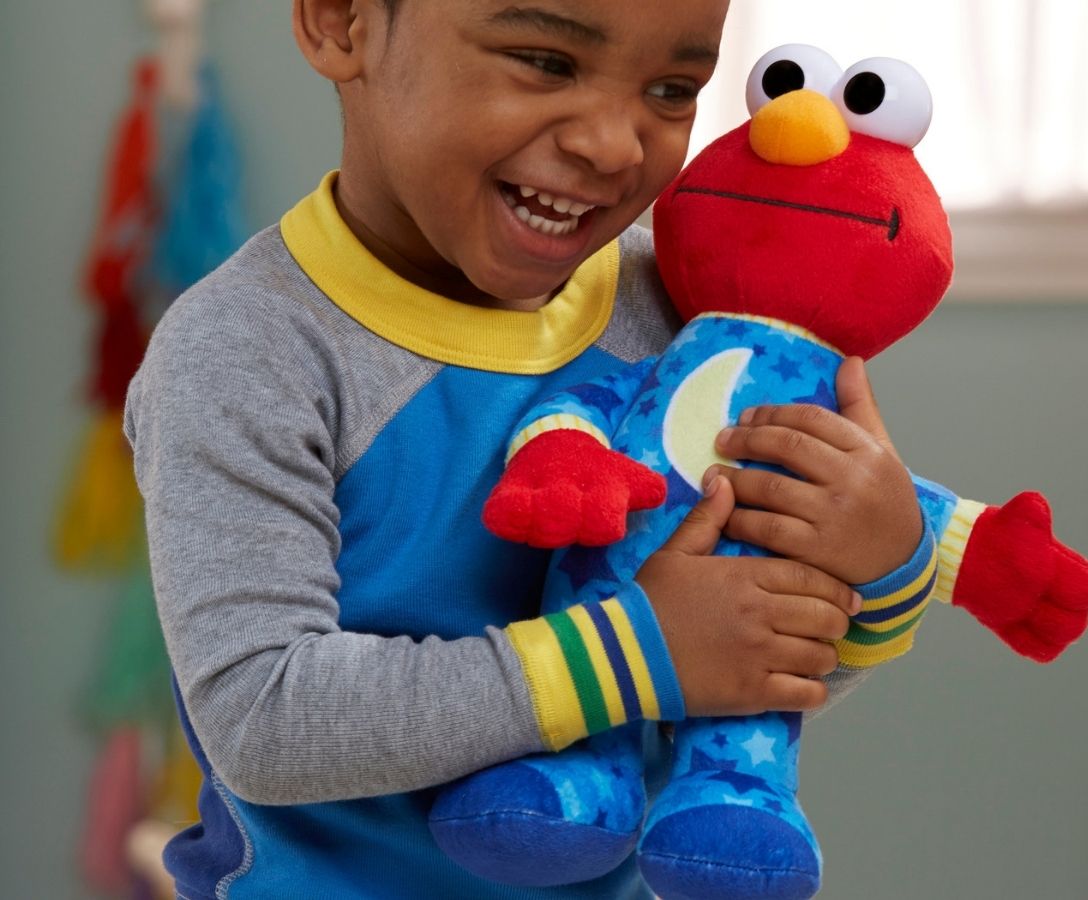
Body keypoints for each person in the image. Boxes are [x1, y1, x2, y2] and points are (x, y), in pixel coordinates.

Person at [123, 1, 934, 897]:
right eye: (546, 62)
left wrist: (886, 569)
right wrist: (638, 652)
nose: (615, 144)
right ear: (343, 23)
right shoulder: (246, 348)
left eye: (672, 89)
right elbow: (263, 720)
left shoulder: (688, 314)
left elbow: (743, 654)